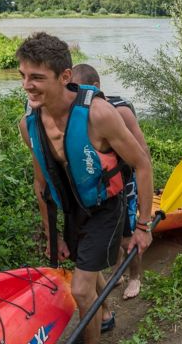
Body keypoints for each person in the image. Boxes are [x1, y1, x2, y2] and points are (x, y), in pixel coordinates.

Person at [17, 32, 154, 344]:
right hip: (72, 209)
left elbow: (142, 163)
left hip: (106, 207)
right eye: (23, 76)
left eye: (37, 77)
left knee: (80, 288)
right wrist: (53, 234)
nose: (27, 85)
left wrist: (143, 225)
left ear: (65, 76)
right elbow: (42, 183)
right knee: (85, 275)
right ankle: (103, 313)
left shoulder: (99, 114)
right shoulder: (29, 125)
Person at [71, 63, 149, 303]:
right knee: (110, 237)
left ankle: (135, 276)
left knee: (127, 237)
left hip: (124, 183)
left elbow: (143, 154)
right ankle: (118, 272)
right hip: (99, 189)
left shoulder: (119, 111)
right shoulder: (75, 112)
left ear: (95, 87)